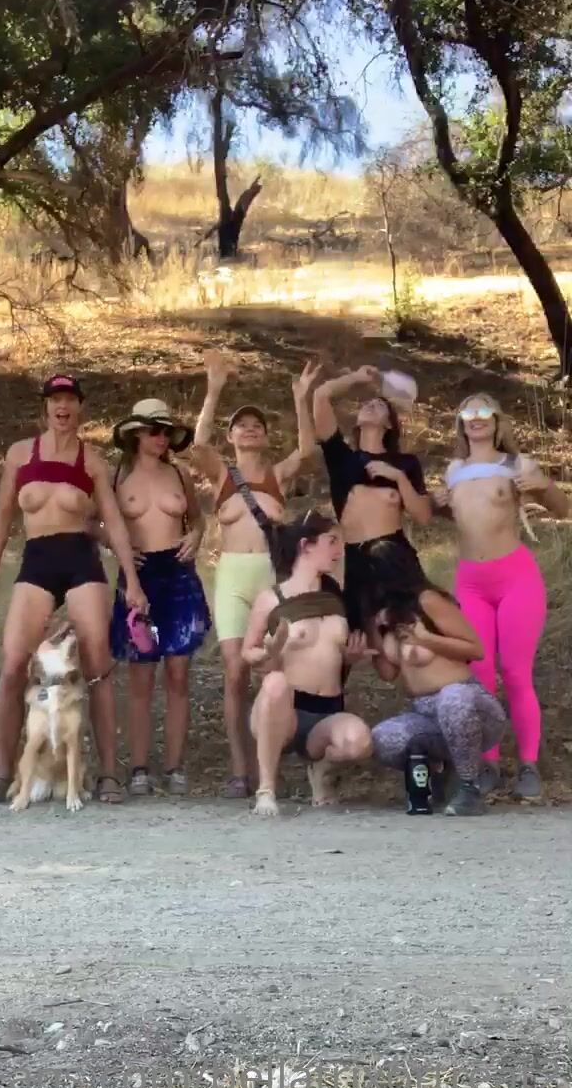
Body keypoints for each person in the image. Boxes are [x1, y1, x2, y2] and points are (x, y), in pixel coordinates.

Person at [0, 374, 147, 806]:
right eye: (55, 400)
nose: (62, 407)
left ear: (80, 407)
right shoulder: (20, 454)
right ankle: (3, 773)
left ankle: (108, 774)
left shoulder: (92, 460)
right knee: (13, 665)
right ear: (46, 407)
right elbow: (2, 516)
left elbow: (113, 522)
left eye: (69, 399)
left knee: (97, 666)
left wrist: (133, 581)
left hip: (80, 560)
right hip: (37, 560)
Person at [192, 350, 320, 798]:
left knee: (273, 670)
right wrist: (213, 389)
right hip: (231, 577)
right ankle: (239, 768)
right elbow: (198, 446)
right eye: (241, 425)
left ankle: (270, 765)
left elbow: (307, 451)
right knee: (234, 672)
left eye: (257, 425)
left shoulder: (277, 476)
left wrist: (301, 399)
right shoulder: (221, 475)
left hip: (269, 578)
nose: (249, 429)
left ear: (265, 437)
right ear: (231, 437)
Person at [432, 392, 568, 800]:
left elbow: (562, 508)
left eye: (484, 411)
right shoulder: (453, 470)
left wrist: (545, 485)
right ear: (460, 422)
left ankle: (528, 765)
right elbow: (454, 516)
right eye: (467, 411)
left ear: (496, 420)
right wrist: (436, 504)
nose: (475, 417)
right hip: (470, 582)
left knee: (515, 672)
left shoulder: (517, 464)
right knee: (480, 674)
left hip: (515, 579)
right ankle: (487, 764)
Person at [105, 398, 210, 796]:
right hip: (139, 575)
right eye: (154, 431)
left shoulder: (179, 473)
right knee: (141, 676)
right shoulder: (117, 475)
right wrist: (116, 547)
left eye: (167, 432)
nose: (161, 438)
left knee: (178, 674)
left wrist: (196, 534)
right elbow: (94, 522)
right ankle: (138, 767)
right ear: (135, 434)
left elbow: (197, 517)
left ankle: (175, 766)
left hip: (178, 574)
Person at [241, 512, 372, 817]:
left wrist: (351, 658)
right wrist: (269, 652)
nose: (339, 551)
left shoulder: (336, 598)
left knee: (359, 742)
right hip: (283, 710)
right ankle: (266, 789)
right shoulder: (272, 598)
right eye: (331, 542)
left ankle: (321, 768)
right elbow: (248, 652)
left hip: (326, 712)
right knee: (275, 683)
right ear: (306, 545)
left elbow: (333, 654)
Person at [367, 538, 508, 816]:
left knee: (452, 698)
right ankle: (438, 772)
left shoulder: (428, 601)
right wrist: (372, 630)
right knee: (383, 737)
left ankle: (469, 787)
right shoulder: (385, 617)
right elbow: (388, 673)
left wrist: (425, 639)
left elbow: (475, 649)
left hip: (469, 703)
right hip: (425, 712)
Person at [312, 365, 431, 631]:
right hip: (355, 559)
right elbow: (321, 395)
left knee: (410, 632)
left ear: (389, 424)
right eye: (367, 403)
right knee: (359, 638)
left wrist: (398, 478)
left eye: (379, 405)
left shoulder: (405, 463)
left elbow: (423, 516)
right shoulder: (341, 456)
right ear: (356, 421)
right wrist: (355, 377)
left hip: (394, 554)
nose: (370, 405)